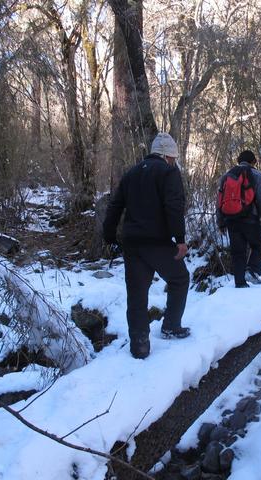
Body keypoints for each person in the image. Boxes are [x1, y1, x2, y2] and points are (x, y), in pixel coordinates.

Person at [103, 132, 190, 359]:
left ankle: (139, 346)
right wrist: (180, 239)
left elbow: (115, 205)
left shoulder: (131, 173)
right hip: (157, 242)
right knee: (179, 278)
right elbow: (174, 205)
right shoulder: (169, 172)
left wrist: (109, 236)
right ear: (168, 156)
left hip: (132, 243)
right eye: (173, 157)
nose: (174, 161)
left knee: (137, 295)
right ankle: (171, 326)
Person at [217, 150, 261, 288]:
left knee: (237, 251)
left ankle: (240, 283)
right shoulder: (258, 175)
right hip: (250, 218)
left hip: (230, 218)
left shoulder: (226, 176)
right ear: (254, 161)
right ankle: (252, 271)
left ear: (238, 161)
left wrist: (221, 222)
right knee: (258, 246)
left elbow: (218, 201)